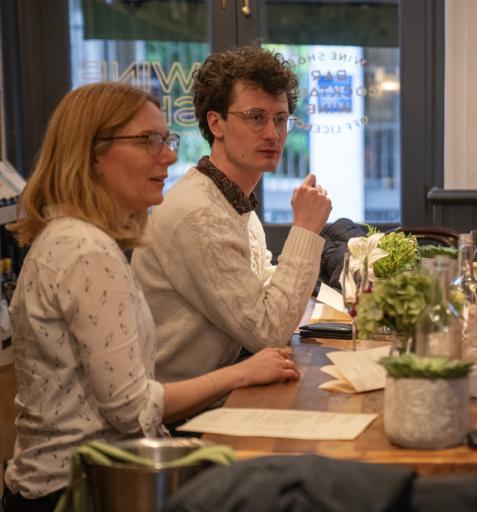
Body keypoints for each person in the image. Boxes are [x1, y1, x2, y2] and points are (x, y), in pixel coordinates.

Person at [2, 82, 299, 511]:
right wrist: (241, 374)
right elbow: (133, 410)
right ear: (93, 153)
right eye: (149, 141)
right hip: (78, 491)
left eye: (167, 139)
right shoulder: (86, 251)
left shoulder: (78, 238)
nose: (170, 155)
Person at [132, 46, 332, 383]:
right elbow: (267, 331)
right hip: (180, 412)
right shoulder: (199, 214)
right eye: (256, 117)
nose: (273, 134)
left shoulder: (228, 196)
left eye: (281, 119)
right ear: (216, 122)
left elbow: (256, 285)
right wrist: (306, 230)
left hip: (223, 388)